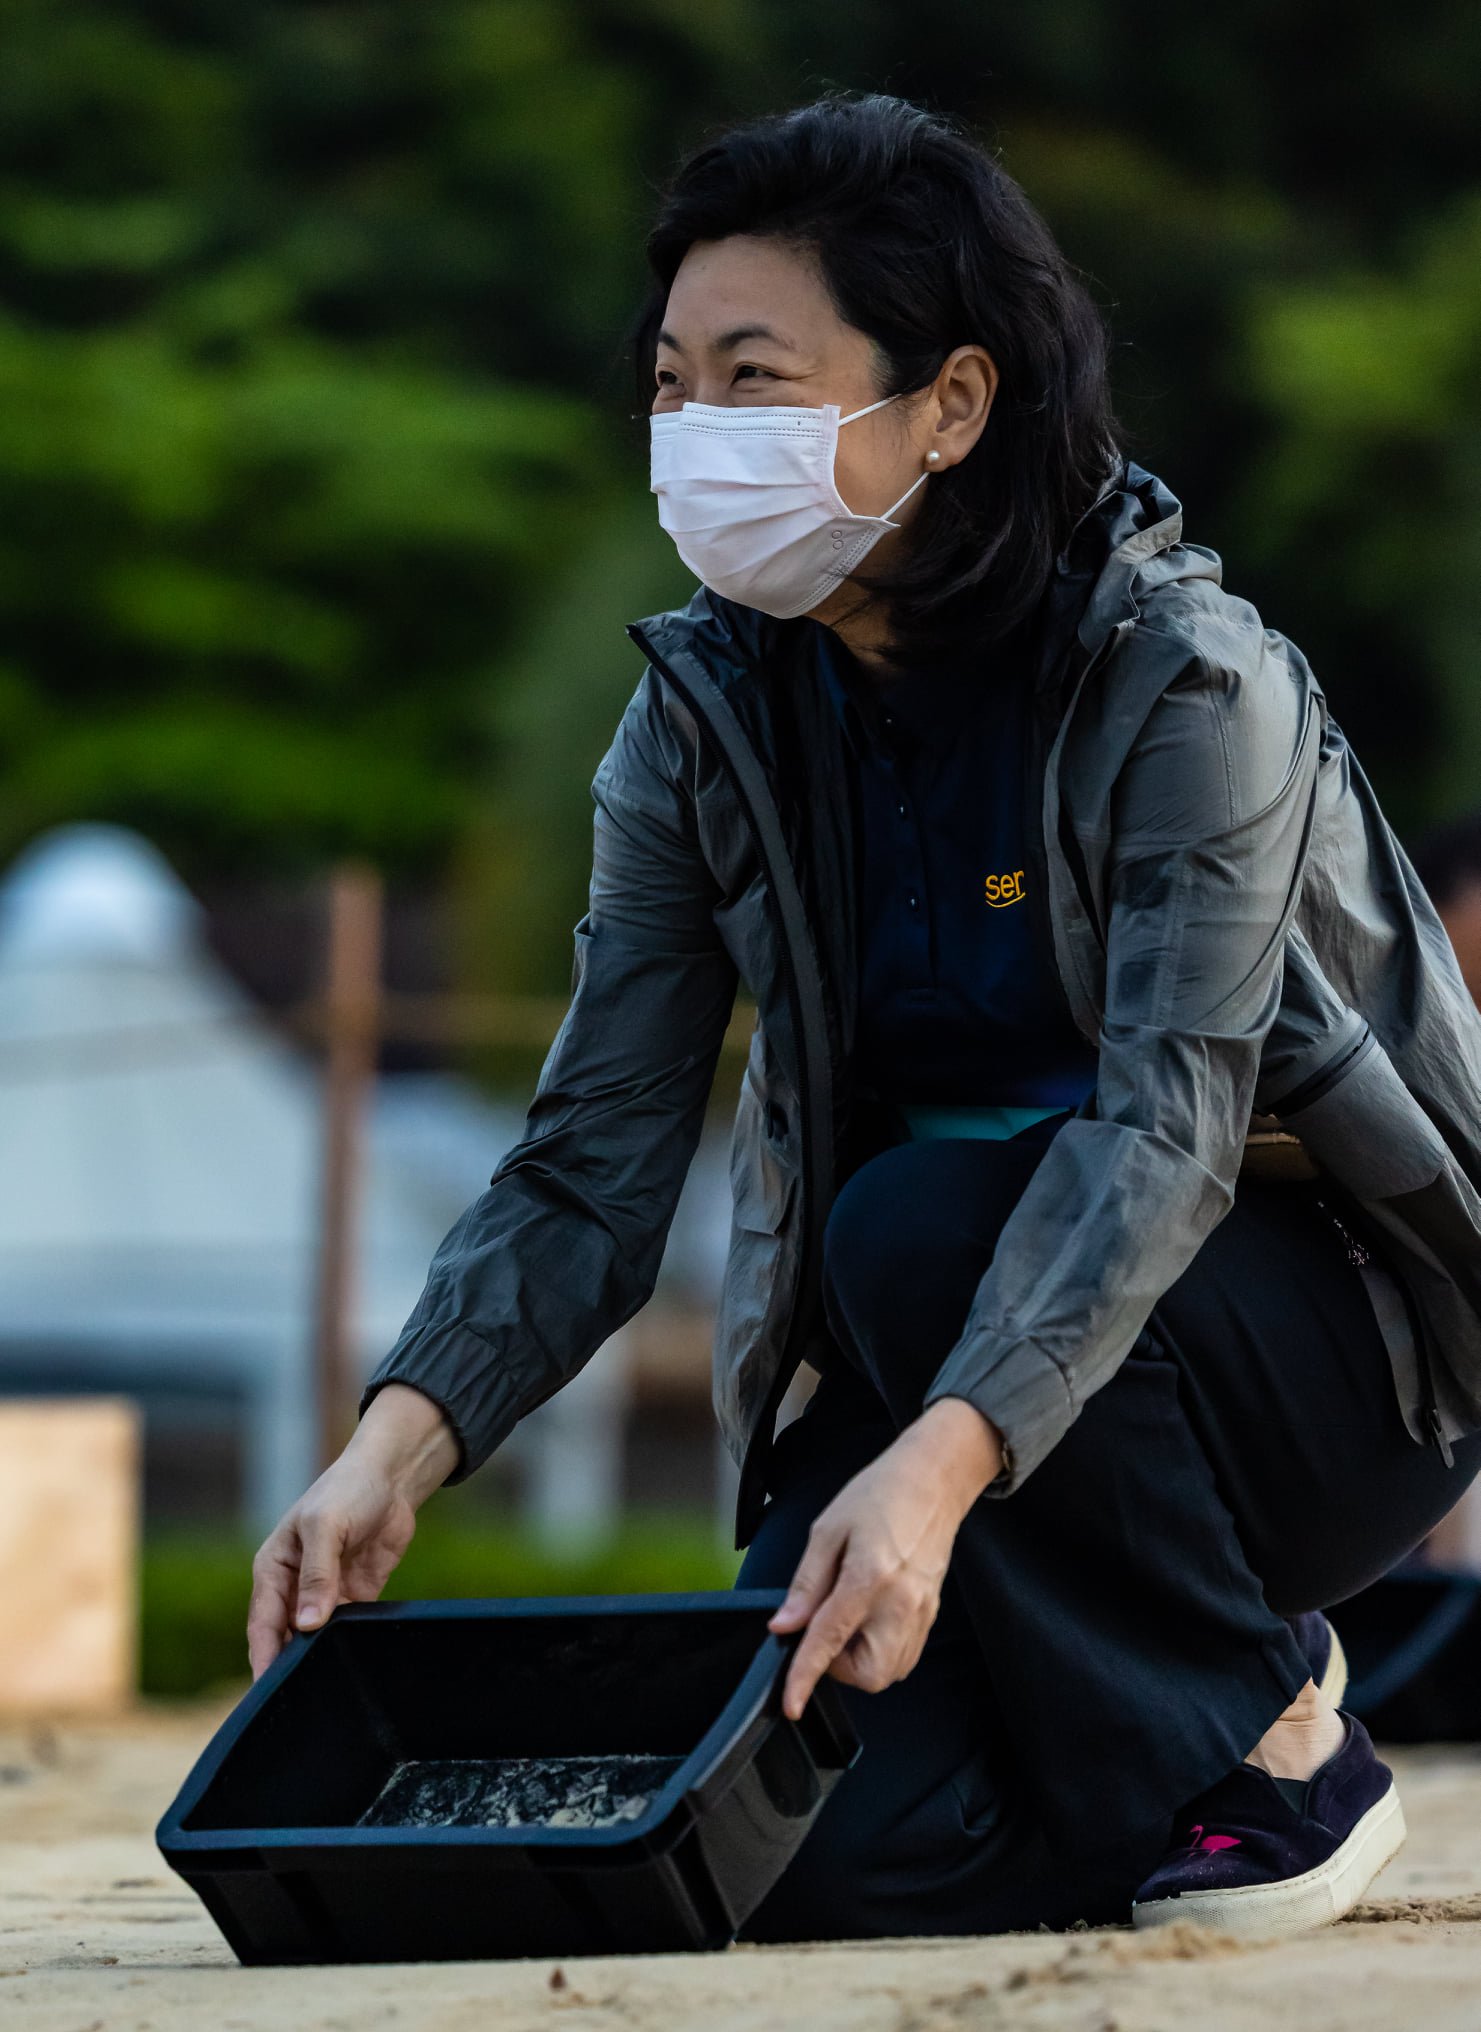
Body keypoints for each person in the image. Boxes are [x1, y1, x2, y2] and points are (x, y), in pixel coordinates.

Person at [247, 92, 1481, 1942]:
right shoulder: (701, 721)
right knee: (783, 1835)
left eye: (756, 377)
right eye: (668, 381)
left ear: (951, 406)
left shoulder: (1186, 685)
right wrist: (388, 1448)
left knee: (904, 1224)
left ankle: (1271, 1730)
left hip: (1311, 1356)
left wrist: (932, 1469)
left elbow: (1164, 1134)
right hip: (949, 1379)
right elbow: (594, 1155)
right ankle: (1129, 1774)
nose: (691, 433)